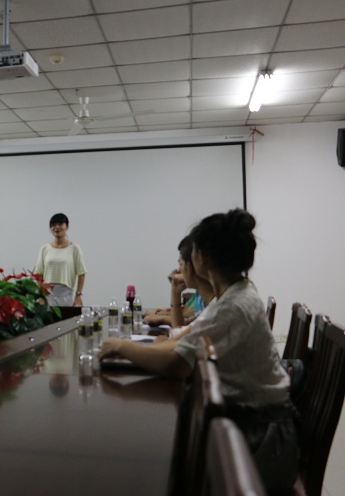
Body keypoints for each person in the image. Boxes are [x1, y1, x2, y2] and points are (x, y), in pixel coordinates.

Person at [99, 209, 297, 494]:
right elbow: (184, 342)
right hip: (250, 422)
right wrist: (147, 348)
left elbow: (176, 363)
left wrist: (122, 346)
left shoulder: (234, 305)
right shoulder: (234, 294)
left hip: (261, 435)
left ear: (201, 257)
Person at [148, 235, 216, 339]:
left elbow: (180, 334)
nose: (178, 270)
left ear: (192, 266)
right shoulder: (210, 300)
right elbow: (181, 327)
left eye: (181, 264)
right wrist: (175, 292)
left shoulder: (216, 304)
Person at [34, 213, 87, 307]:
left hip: (66, 294)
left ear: (67, 227)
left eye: (60, 224)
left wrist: (78, 295)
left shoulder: (75, 249)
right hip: (47, 294)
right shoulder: (44, 249)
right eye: (53, 225)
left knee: (66, 316)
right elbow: (38, 274)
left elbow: (81, 273)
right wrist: (40, 295)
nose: (57, 227)